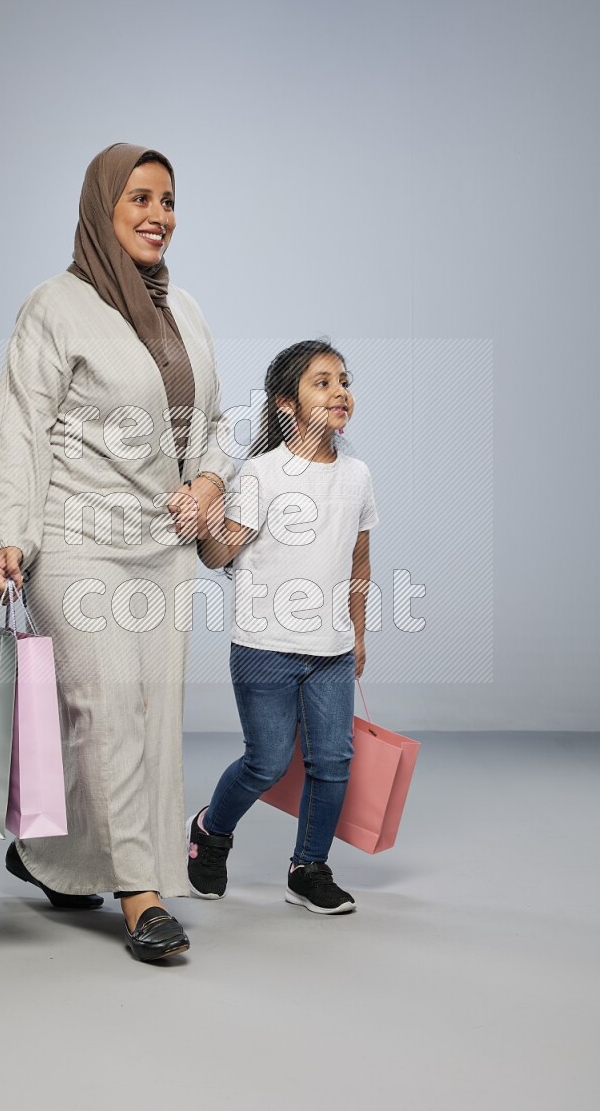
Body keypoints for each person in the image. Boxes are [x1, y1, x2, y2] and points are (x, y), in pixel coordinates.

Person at [0, 143, 233, 962]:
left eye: (168, 200)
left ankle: (51, 855)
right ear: (102, 209)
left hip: (163, 547)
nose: (160, 215)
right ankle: (140, 893)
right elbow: (21, 422)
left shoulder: (182, 310)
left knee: (142, 718)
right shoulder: (54, 307)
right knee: (108, 709)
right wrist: (7, 532)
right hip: (77, 540)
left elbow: (215, 424)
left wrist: (210, 485)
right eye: (141, 199)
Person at [187, 340, 377, 914]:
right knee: (267, 762)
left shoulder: (358, 475)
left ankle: (308, 867)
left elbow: (359, 562)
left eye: (343, 380)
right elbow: (220, 555)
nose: (339, 390)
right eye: (321, 382)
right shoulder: (262, 474)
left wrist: (358, 633)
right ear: (285, 405)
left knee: (332, 760)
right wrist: (203, 518)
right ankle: (210, 833)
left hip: (331, 651)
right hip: (264, 647)